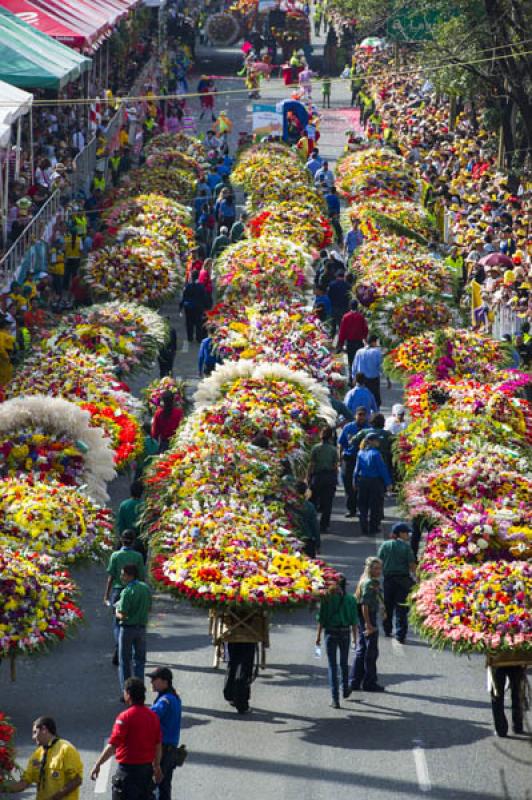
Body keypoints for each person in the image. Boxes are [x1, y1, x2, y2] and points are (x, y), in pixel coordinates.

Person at [91, 677, 162, 800]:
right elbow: (158, 744)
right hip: (146, 773)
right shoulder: (153, 716)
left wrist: (98, 764)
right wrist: (156, 766)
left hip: (128, 774)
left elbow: (113, 745)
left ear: (128, 694)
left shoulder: (125, 717)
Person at [4, 717, 83, 800]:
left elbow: (76, 780)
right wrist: (3, 787)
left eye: (35, 732)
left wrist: (54, 798)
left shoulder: (66, 749)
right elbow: (24, 783)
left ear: (44, 729)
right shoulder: (37, 755)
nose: (33, 737)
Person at [316, 575, 359, 708]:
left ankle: (335, 699)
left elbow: (321, 620)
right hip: (345, 633)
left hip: (330, 633)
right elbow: (354, 621)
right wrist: (354, 638)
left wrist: (317, 637)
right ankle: (345, 689)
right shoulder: (351, 599)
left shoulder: (326, 599)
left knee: (332, 666)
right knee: (344, 663)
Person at [104, 530, 146, 665]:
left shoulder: (115, 555)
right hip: (133, 590)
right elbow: (141, 577)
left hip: (117, 591)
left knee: (118, 622)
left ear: (121, 540)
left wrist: (106, 595)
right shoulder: (138, 556)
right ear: (133, 542)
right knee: (132, 619)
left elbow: (110, 576)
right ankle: (128, 650)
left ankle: (119, 645)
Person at [222, 609, 268, 713]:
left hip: (233, 621)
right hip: (248, 623)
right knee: (244, 661)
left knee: (234, 658)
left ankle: (230, 691)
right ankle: (240, 699)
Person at [115, 564, 152, 695]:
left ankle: (127, 692)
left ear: (130, 575)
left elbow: (122, 614)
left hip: (128, 629)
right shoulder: (145, 588)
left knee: (125, 661)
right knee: (140, 661)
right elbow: (149, 608)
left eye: (123, 574)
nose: (121, 576)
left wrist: (116, 612)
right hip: (141, 629)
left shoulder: (126, 591)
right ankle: (139, 691)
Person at [378, 523, 416, 643]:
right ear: (400, 533)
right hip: (403, 581)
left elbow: (379, 561)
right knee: (401, 608)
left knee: (388, 606)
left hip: (388, 580)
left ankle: (387, 629)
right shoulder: (406, 547)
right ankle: (401, 634)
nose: (408, 535)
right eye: (406, 533)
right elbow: (412, 566)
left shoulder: (385, 545)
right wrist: (417, 578)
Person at [350, 557, 384, 692]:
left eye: (380, 568)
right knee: (371, 652)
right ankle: (369, 682)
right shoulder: (370, 583)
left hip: (363, 618)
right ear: (369, 569)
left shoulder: (364, 579)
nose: (378, 571)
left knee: (362, 650)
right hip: (367, 618)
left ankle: (354, 681)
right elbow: (365, 605)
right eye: (375, 568)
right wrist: (369, 625)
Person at [148, 667, 182, 800]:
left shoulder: (165, 700)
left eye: (154, 680)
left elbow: (150, 716)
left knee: (151, 786)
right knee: (164, 786)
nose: (151, 683)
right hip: (171, 750)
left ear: (164, 682)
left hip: (162, 751)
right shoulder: (174, 697)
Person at [354, 433, 392, 536]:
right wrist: (388, 483)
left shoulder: (360, 452)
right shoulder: (376, 454)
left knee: (363, 505)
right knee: (375, 506)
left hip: (363, 481)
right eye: (376, 440)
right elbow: (382, 469)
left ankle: (363, 527)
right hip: (375, 482)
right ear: (370, 441)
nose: (378, 442)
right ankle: (373, 527)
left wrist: (354, 481)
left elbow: (356, 470)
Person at [338, 406, 369, 518]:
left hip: (363, 460)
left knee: (361, 486)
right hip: (349, 459)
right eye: (359, 414)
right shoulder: (348, 427)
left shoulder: (368, 428)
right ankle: (351, 509)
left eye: (363, 415)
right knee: (348, 485)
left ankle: (361, 509)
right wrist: (339, 459)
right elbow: (341, 443)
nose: (361, 417)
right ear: (355, 415)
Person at [308, 426, 338, 534]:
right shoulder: (334, 449)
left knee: (313, 502)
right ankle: (324, 526)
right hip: (329, 477)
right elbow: (335, 466)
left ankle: (311, 524)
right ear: (331, 437)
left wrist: (308, 478)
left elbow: (311, 464)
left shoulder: (315, 448)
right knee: (327, 503)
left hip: (317, 477)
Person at [490, 664, 527, 737]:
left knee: (497, 695)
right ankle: (517, 725)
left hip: (498, 660)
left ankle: (500, 728)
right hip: (515, 659)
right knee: (517, 692)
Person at [337, 300, 368, 383]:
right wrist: (365, 339)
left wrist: (340, 343)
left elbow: (342, 331)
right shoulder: (361, 317)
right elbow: (365, 329)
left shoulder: (346, 317)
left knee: (351, 361)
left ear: (350, 306)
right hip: (359, 342)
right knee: (359, 361)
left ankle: (351, 379)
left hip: (350, 342)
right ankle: (359, 379)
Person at [353, 334, 383, 408]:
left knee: (362, 399)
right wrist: (388, 379)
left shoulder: (359, 352)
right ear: (374, 342)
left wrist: (353, 378)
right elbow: (381, 367)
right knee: (375, 400)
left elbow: (354, 366)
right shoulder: (377, 352)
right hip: (373, 380)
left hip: (361, 379)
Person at [292, 480, 320, 557]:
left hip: (293, 539)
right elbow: (315, 525)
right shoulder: (309, 506)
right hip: (308, 540)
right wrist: (318, 543)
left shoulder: (289, 504)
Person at [180, 271, 209, 343]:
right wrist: (206, 307)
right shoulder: (201, 286)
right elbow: (204, 297)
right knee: (198, 323)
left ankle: (190, 337)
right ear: (198, 276)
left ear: (191, 277)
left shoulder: (187, 286)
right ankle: (199, 338)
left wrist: (181, 307)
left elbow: (184, 297)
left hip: (189, 308)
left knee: (189, 323)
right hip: (198, 307)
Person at [327, 269, 350, 337]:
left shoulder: (332, 284)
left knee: (333, 324)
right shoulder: (348, 285)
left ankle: (331, 339)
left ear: (337, 276)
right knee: (342, 325)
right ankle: (342, 341)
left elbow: (329, 295)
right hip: (344, 308)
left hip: (334, 307)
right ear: (343, 276)